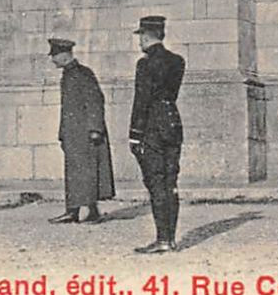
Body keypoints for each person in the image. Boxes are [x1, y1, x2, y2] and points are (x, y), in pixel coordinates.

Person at [129, 15, 185, 253]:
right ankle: (170, 238)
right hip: (172, 123)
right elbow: (170, 94)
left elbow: (141, 100)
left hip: (152, 127)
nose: (139, 41)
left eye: (140, 36)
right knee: (170, 182)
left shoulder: (145, 64)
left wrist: (134, 134)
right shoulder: (177, 61)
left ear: (146, 35)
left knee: (155, 181)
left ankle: (162, 239)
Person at [48, 38, 115, 224]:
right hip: (72, 133)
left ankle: (91, 211)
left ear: (64, 55)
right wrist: (62, 133)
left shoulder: (83, 74)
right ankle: (73, 211)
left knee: (87, 171)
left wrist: (95, 129)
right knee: (74, 172)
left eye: (54, 55)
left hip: (85, 133)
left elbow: (95, 101)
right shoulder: (68, 75)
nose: (52, 59)